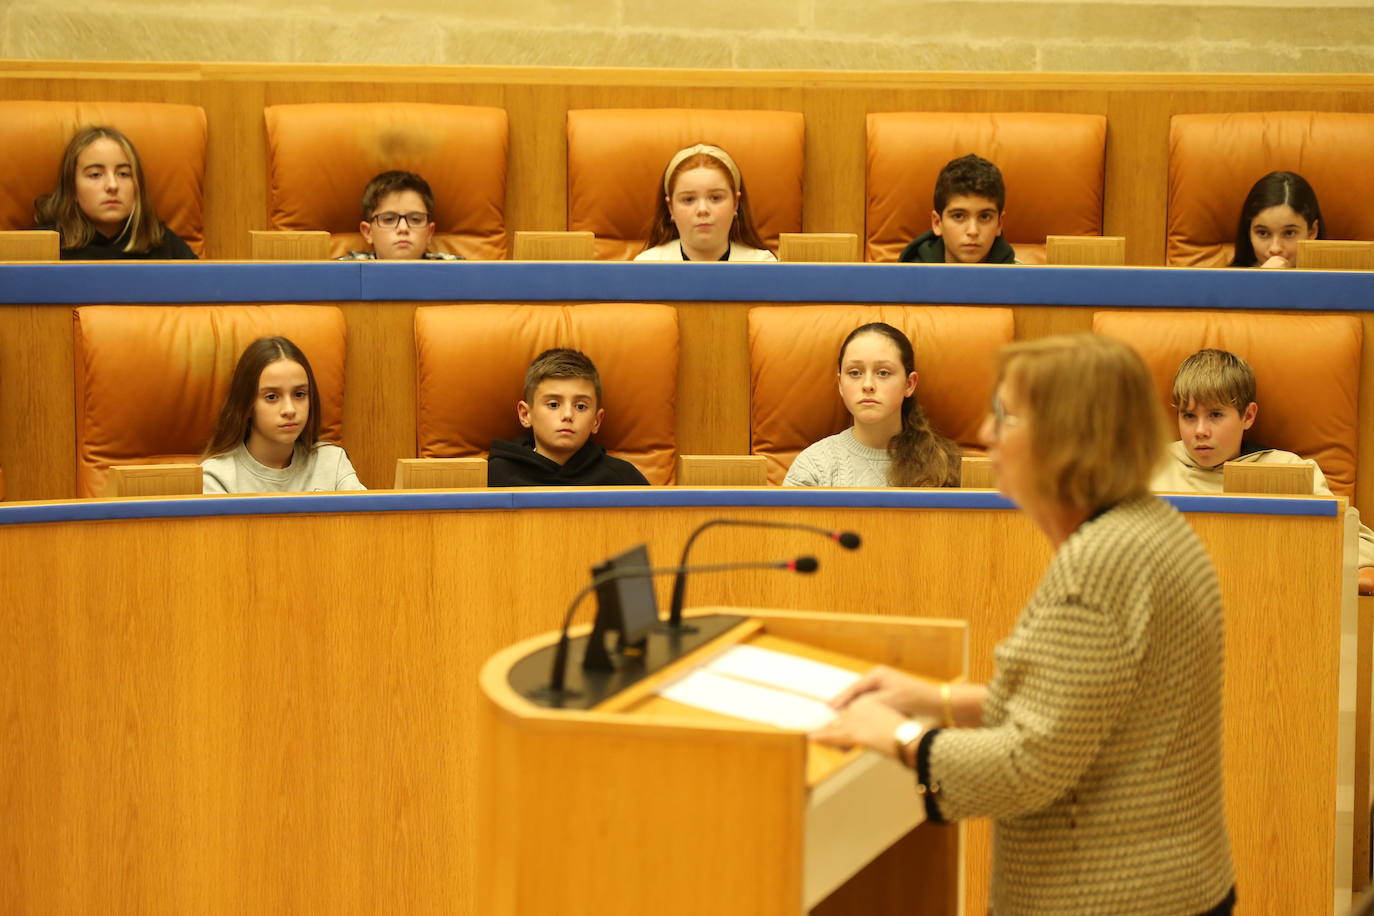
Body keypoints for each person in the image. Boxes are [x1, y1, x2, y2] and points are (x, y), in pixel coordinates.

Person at [814, 333, 1235, 915]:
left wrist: (894, 734)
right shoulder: (1146, 524)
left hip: (1110, 898)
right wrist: (935, 697)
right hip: (1176, 882)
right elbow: (1078, 710)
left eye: (1006, 418)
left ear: (1068, 440)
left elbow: (1027, 765)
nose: (986, 436)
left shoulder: (1101, 567)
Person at [1150, 347, 1374, 593]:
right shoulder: (1151, 467)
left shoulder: (1289, 470)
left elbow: (1351, 539)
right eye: (1189, 416)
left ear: (1248, 416)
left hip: (1267, 598)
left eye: (1215, 414)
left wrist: (1363, 568)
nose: (1200, 430)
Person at [783, 322, 961, 488]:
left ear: (909, 384)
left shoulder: (945, 464)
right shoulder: (814, 465)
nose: (867, 385)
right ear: (840, 384)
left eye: (883, 373)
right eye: (854, 373)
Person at [202, 337, 365, 493]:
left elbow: (366, 519)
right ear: (248, 404)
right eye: (272, 397)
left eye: (299, 394)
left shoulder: (332, 461)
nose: (290, 409)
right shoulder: (216, 477)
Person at [487, 348, 650, 487]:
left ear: (596, 421)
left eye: (580, 406)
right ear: (525, 414)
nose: (567, 415)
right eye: (553, 405)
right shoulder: (493, 476)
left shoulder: (624, 480)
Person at [33, 125, 197, 260]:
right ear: (72, 188)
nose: (112, 185)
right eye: (95, 174)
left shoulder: (165, 244)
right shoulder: (44, 248)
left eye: (123, 174)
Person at [634, 143, 776, 262]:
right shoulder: (646, 265)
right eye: (688, 199)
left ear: (735, 203)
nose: (703, 210)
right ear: (670, 208)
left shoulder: (763, 265)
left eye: (715, 198)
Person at [898, 154, 1016, 264]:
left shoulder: (1022, 280)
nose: (973, 231)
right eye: (958, 216)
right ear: (937, 223)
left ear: (999, 224)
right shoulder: (905, 280)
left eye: (985, 217)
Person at [336, 170, 463, 261]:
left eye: (415, 219)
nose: (403, 228)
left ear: (429, 232)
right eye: (389, 219)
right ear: (368, 232)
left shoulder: (458, 271)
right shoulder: (341, 272)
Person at [1228, 171, 1323, 269]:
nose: (1275, 249)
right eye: (1263, 233)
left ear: (1312, 232)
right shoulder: (1227, 282)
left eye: (1289, 233)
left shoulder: (1333, 280)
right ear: (1249, 232)